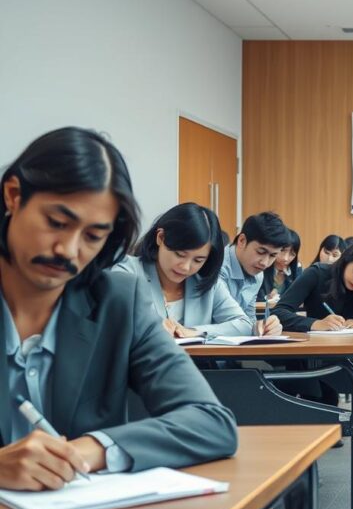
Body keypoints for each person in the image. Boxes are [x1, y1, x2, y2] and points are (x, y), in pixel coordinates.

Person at [0, 127, 236, 490]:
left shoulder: (118, 301)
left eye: (93, 236)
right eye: (56, 223)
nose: (68, 249)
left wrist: (90, 450)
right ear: (14, 196)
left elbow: (210, 421)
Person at [114, 202, 255, 338]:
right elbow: (115, 320)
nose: (186, 267)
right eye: (180, 254)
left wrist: (194, 331)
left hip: (195, 362)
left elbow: (243, 325)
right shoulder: (126, 271)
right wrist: (150, 327)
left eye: (198, 260)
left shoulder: (207, 283)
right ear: (161, 237)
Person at [272, 237, 353, 332]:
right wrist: (315, 324)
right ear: (347, 260)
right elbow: (279, 312)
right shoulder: (317, 273)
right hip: (315, 354)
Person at [219, 212, 289, 333]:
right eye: (261, 252)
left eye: (273, 256)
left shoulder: (258, 275)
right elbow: (220, 320)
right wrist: (249, 327)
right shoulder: (217, 266)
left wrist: (263, 328)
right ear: (241, 240)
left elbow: (248, 318)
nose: (265, 263)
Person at [258, 227, 301, 302]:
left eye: (292, 254)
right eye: (282, 251)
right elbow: (254, 297)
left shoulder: (297, 270)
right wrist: (266, 298)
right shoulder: (262, 267)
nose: (285, 258)